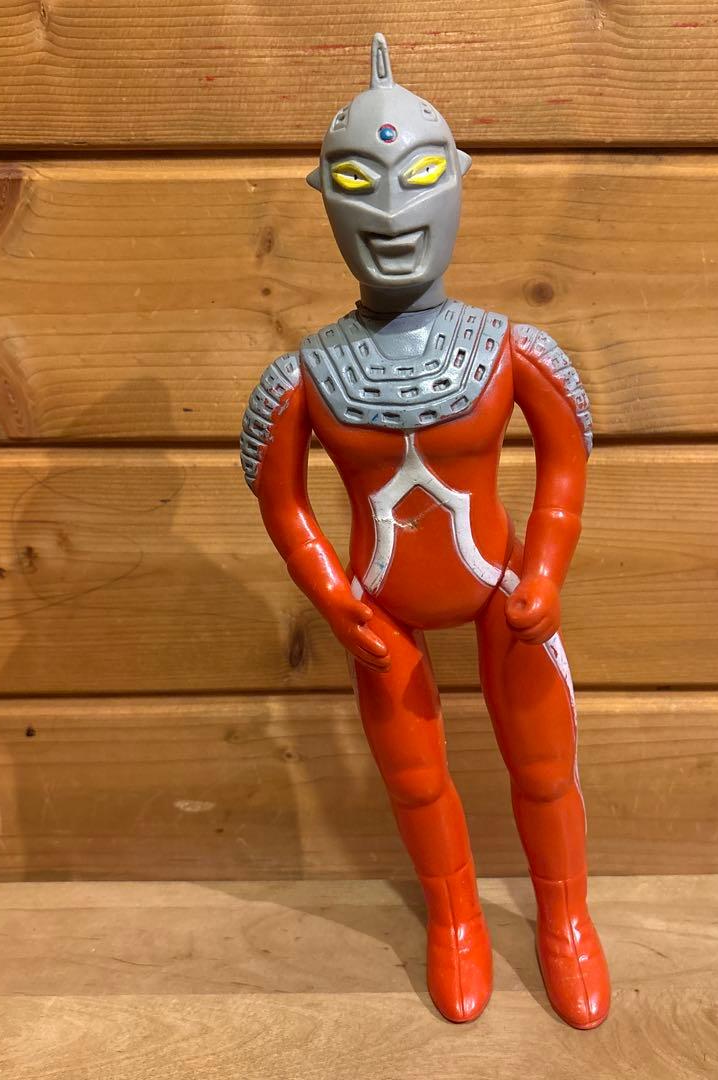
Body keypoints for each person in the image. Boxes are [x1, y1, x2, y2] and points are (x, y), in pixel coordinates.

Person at [241, 33, 609, 1029]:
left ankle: (566, 921)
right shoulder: (305, 376)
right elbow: (281, 501)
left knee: (545, 769)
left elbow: (567, 461)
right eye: (360, 182)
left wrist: (546, 570)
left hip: (504, 594)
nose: (392, 212)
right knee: (414, 781)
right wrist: (333, 597)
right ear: (327, 197)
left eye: (419, 178)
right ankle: (456, 919)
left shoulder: (511, 349)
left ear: (456, 182)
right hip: (381, 612)